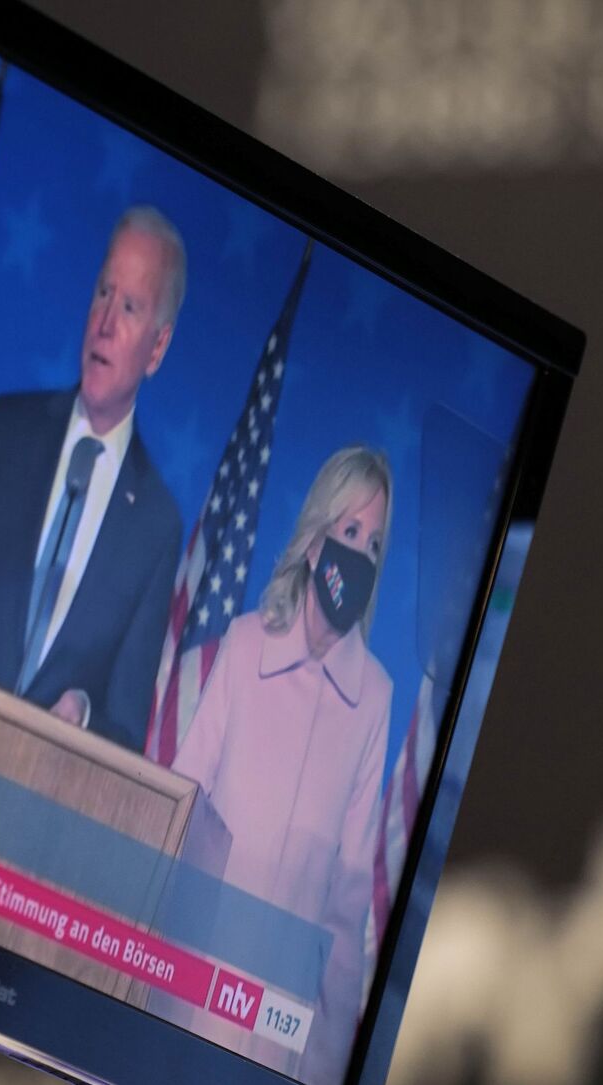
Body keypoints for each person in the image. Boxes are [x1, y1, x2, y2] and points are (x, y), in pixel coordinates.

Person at [0, 207, 186, 753]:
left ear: (158, 349)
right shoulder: (7, 432)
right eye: (102, 293)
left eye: (130, 307)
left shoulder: (156, 526)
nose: (105, 323)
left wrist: (84, 719)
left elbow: (124, 729)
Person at [172, 446, 394, 1083]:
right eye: (350, 531)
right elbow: (180, 816)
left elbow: (347, 904)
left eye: (374, 544)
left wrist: (325, 1067)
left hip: (276, 1039)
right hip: (188, 1001)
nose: (360, 554)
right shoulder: (246, 646)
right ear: (316, 541)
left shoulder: (374, 699)